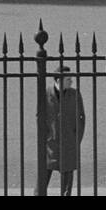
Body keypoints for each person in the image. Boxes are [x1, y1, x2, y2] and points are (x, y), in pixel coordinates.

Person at [37, 67, 86, 196]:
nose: (71, 82)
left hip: (69, 143)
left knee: (66, 187)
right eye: (68, 79)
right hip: (50, 144)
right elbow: (40, 117)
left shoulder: (75, 94)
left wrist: (76, 138)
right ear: (59, 80)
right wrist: (45, 138)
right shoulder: (46, 93)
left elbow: (81, 117)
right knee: (42, 181)